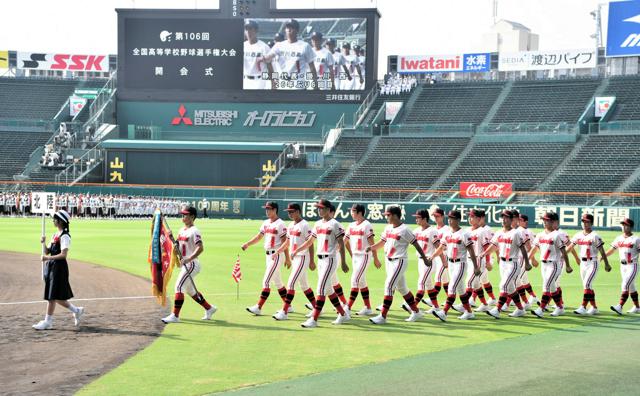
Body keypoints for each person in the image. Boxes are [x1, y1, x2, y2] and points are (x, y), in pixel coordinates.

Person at [292, 199, 350, 328]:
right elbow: (309, 242)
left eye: (322, 208)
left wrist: (344, 262)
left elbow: (341, 243)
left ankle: (314, 319)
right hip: (320, 260)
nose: (319, 210)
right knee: (328, 289)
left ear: (329, 210)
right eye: (318, 208)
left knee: (321, 289)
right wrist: (297, 250)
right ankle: (343, 313)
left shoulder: (335, 224)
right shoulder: (317, 224)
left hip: (330, 259)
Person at [368, 206, 430, 324]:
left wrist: (425, 259)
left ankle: (382, 316)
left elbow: (416, 244)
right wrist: (371, 248)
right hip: (389, 261)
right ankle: (416, 312)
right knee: (402, 288)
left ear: (395, 215)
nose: (386, 217)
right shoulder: (388, 228)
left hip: (399, 261)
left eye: (388, 215)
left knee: (389, 285)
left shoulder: (405, 229)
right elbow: (382, 242)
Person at [162, 206, 217, 323]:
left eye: (186, 214)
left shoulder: (195, 230)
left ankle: (175, 316)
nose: (183, 216)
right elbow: (177, 249)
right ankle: (209, 308)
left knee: (179, 286)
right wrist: (171, 239)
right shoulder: (182, 230)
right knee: (190, 290)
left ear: (192, 217)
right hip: (186, 263)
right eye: (183, 214)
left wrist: (189, 259)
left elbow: (200, 248)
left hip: (192, 263)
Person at [33, 210, 84, 330]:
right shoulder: (55, 234)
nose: (53, 220)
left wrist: (47, 258)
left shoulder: (65, 236)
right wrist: (44, 243)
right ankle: (77, 310)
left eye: (55, 219)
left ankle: (48, 322)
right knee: (56, 296)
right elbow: (47, 251)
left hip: (59, 268)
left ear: (60, 221)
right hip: (51, 267)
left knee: (52, 296)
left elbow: (63, 255)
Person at [429, 210, 481, 322]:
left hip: (460, 264)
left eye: (452, 218)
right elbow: (441, 247)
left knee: (452, 287)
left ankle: (444, 312)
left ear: (458, 220)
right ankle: (469, 312)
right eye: (449, 218)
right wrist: (432, 256)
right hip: (451, 264)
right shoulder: (448, 233)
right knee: (461, 289)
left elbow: (471, 251)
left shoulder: (464, 234)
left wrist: (476, 267)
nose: (449, 220)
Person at [242, 202, 290, 316]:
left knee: (266, 281)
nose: (267, 211)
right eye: (266, 209)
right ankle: (289, 306)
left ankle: (258, 307)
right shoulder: (266, 223)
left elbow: (285, 243)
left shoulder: (281, 224)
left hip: (277, 255)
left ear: (275, 210)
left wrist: (287, 259)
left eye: (269, 209)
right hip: (268, 255)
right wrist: (248, 244)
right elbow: (259, 236)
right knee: (278, 282)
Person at [481, 210, 530, 319]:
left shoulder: (516, 233)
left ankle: (497, 309)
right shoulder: (499, 233)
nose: (504, 220)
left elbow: (523, 248)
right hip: (502, 263)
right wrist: (484, 253)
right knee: (511, 288)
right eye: (502, 217)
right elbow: (493, 246)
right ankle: (520, 309)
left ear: (512, 220)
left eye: (506, 218)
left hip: (513, 263)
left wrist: (527, 263)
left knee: (503, 285)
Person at [272, 203, 317, 321]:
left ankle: (284, 311)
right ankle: (317, 308)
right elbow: (286, 242)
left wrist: (312, 261)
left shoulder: (305, 225)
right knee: (304, 285)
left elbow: (310, 243)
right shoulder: (291, 225)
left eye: (292, 211)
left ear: (298, 211)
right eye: (288, 212)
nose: (290, 214)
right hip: (295, 258)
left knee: (291, 284)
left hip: (302, 257)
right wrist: (278, 251)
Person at [529, 212, 573, 318]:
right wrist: (527, 260)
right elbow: (534, 248)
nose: (544, 222)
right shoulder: (540, 235)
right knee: (552, 288)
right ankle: (560, 307)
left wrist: (567, 265)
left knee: (547, 285)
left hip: (554, 264)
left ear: (553, 222)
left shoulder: (557, 235)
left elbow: (564, 251)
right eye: (543, 220)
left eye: (547, 220)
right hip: (544, 265)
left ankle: (541, 309)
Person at [566, 214, 610, 315]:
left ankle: (583, 307)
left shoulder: (595, 235)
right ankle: (594, 307)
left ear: (591, 223)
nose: (585, 224)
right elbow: (571, 246)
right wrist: (562, 256)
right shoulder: (578, 235)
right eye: (583, 222)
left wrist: (606, 264)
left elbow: (602, 251)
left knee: (587, 284)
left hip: (593, 262)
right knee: (587, 286)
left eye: (587, 222)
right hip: (583, 263)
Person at [260, 19, 319, 90]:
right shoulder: (279, 45)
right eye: (287, 28)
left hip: (298, 83)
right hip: (282, 83)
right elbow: (268, 58)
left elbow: (312, 67)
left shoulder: (305, 46)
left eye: (292, 27)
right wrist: (263, 58)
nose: (289, 30)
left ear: (297, 30)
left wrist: (315, 85)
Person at [344, 204, 381, 316]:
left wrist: (376, 258)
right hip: (356, 256)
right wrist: (349, 254)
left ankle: (347, 308)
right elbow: (345, 241)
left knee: (354, 280)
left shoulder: (366, 225)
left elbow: (372, 243)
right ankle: (368, 307)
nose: (351, 213)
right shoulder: (351, 225)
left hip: (364, 256)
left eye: (353, 211)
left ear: (360, 212)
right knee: (361, 282)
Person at [410, 209, 444, 313]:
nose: (416, 219)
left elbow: (439, 247)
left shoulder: (432, 231)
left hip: (429, 261)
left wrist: (444, 261)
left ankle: (412, 306)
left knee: (421, 283)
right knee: (429, 285)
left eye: (418, 217)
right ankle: (436, 307)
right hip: (420, 262)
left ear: (425, 219)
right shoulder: (416, 231)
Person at [603, 218, 640, 315]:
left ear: (631, 227)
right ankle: (637, 307)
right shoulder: (619, 238)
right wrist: (602, 257)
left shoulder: (636, 239)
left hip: (633, 265)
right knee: (631, 287)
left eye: (626, 225)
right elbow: (612, 249)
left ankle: (620, 306)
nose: (624, 227)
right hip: (623, 266)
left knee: (625, 285)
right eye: (623, 225)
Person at [243, 20, 274, 90]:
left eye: (250, 29)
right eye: (246, 29)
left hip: (259, 81)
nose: (248, 32)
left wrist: (274, 85)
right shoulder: (242, 46)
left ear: (256, 31)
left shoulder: (264, 47)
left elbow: (271, 69)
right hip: (245, 81)